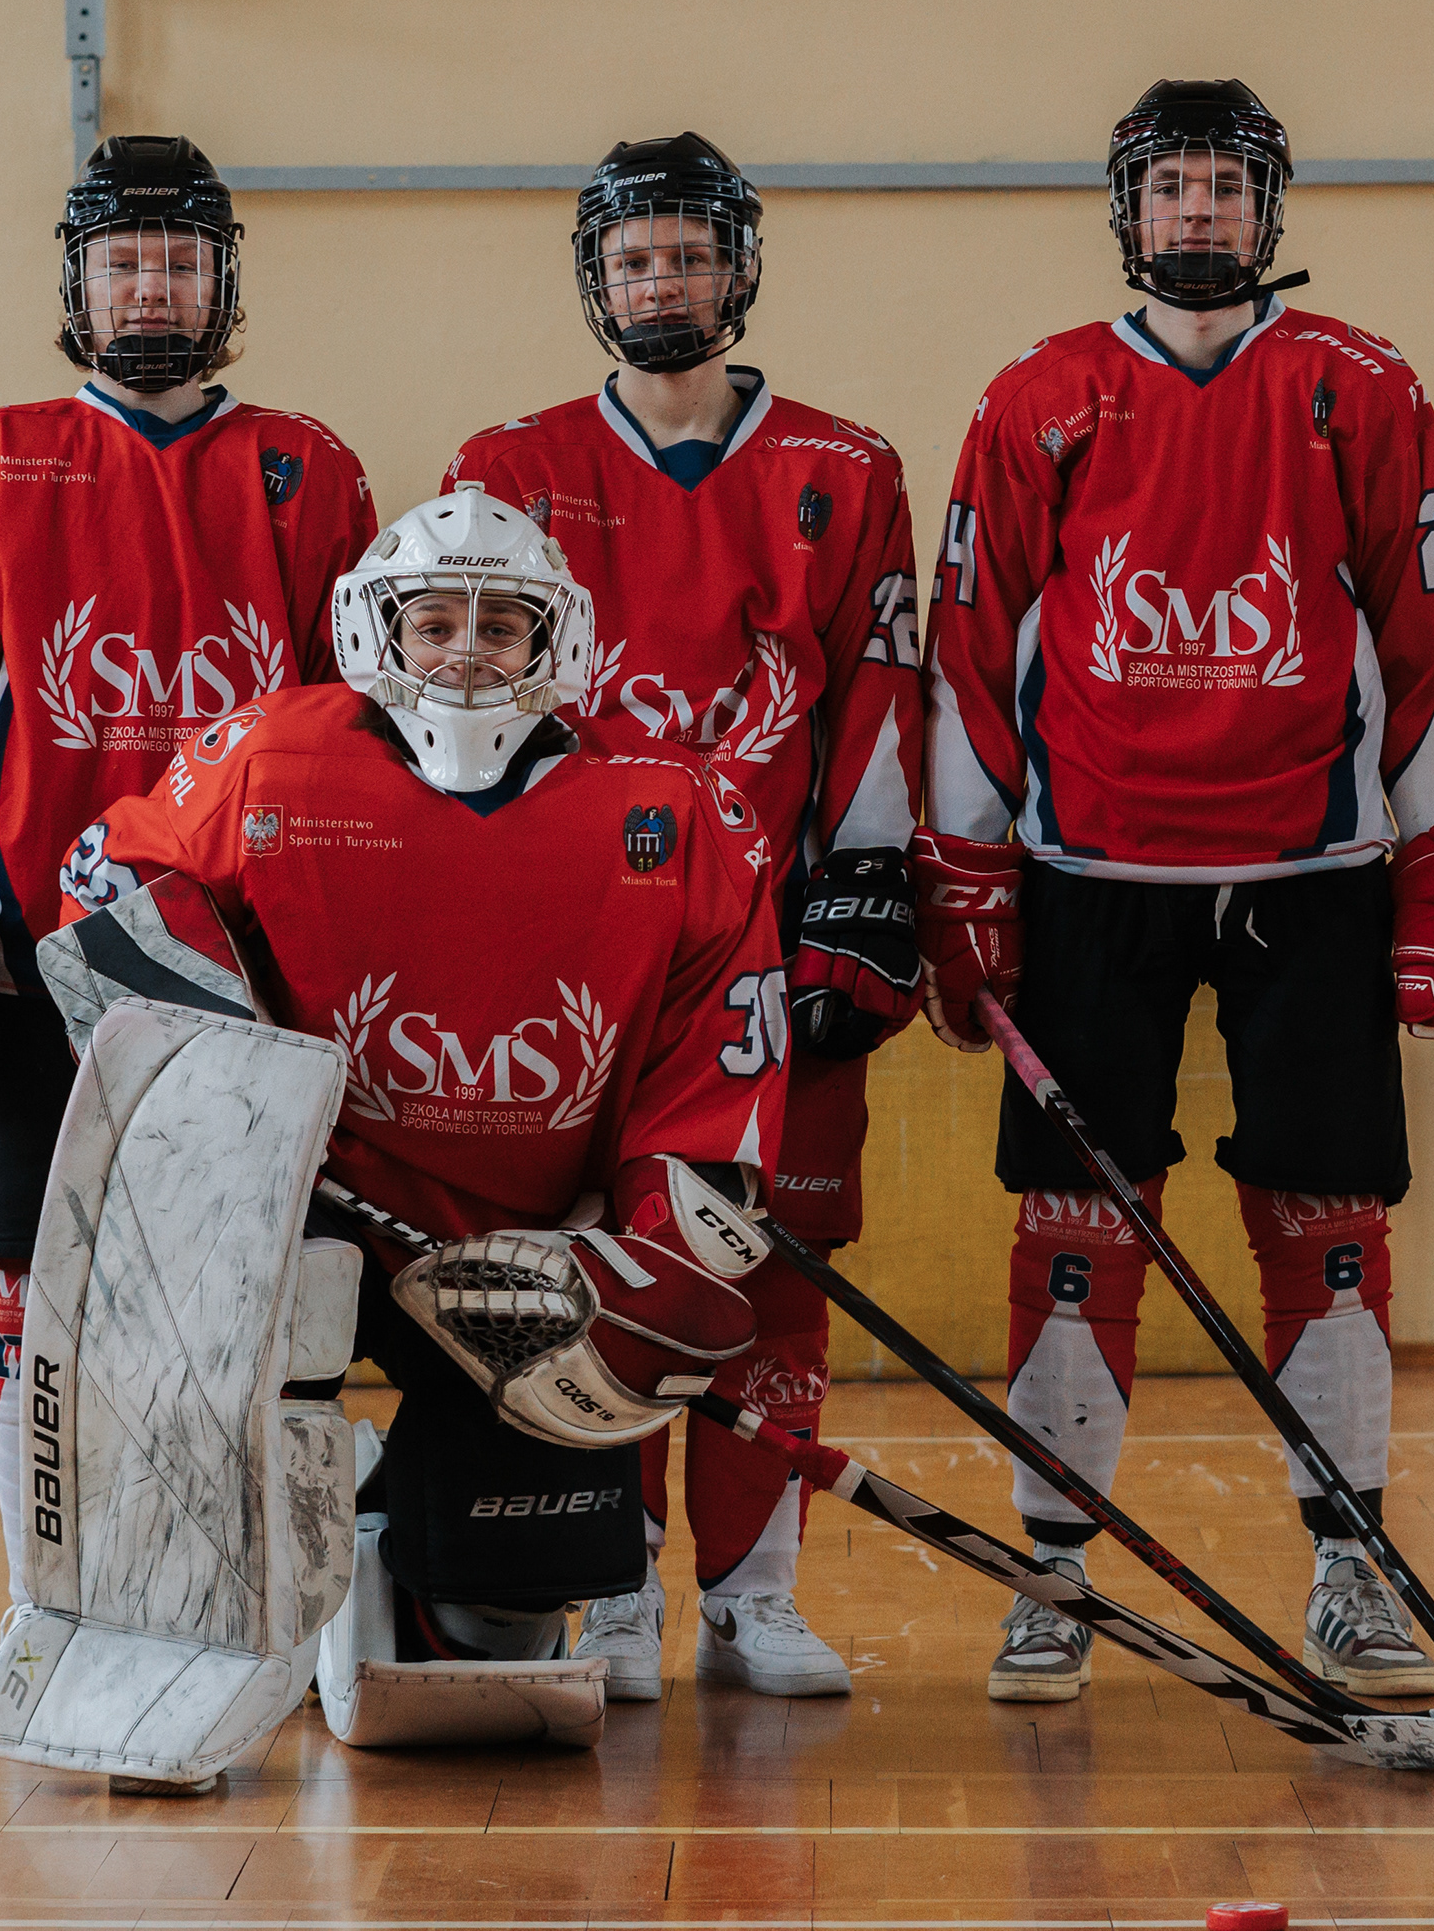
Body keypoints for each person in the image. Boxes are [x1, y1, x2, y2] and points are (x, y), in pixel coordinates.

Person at [913, 79, 1434, 1705]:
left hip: (1310, 869)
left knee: (1326, 1216)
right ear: (1128, 211)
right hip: (1089, 871)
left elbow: (1430, 628)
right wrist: (965, 862)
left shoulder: (1360, 389)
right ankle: (1054, 1574)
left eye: (1223, 191)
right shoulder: (1041, 397)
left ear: (1268, 213)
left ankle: (1353, 1563)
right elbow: (969, 643)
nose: (1196, 216)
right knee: (1075, 1221)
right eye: (1169, 188)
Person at [37, 486, 789, 1751]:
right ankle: (191, 1608)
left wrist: (638, 1252)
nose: (466, 652)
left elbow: (716, 1047)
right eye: (433, 621)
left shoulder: (673, 805)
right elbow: (107, 884)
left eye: (504, 626)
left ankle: (399, 1529)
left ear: (560, 644)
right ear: (372, 629)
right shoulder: (270, 756)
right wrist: (238, 1101)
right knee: (215, 1422)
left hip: (525, 1256)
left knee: (499, 1648)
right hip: (302, 1210)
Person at [440, 134, 923, 1702]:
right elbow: (461, 693)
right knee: (606, 1263)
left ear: (740, 269)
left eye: (691, 255)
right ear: (597, 280)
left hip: (772, 948)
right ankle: (617, 1589)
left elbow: (882, 700)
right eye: (637, 258)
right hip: (597, 956)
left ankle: (756, 1590)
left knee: (772, 1263)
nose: (666, 282)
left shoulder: (845, 471)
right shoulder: (506, 471)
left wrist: (864, 887)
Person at [0, 134, 374, 1453]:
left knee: (231, 1279)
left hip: (239, 964)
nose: (150, 290)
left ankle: (203, 1568)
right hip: (30, 944)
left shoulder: (307, 468)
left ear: (224, 286)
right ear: (76, 288)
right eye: (123, 264)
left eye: (178, 264)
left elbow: (347, 722)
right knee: (32, 1281)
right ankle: (47, 1580)